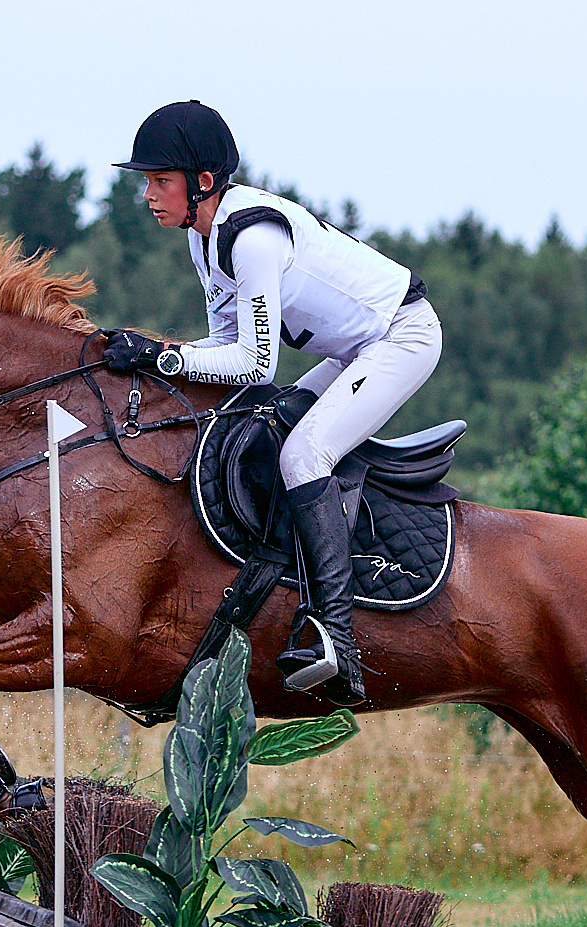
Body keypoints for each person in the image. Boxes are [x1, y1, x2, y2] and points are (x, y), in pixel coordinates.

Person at [101, 101, 442, 707]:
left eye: (160, 181)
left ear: (202, 182)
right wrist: (156, 357)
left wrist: (161, 355)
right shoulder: (202, 240)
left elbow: (257, 364)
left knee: (303, 456)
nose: (148, 194)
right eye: (147, 181)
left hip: (402, 336)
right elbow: (224, 352)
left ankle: (337, 641)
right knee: (270, 425)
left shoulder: (251, 239)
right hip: (354, 349)